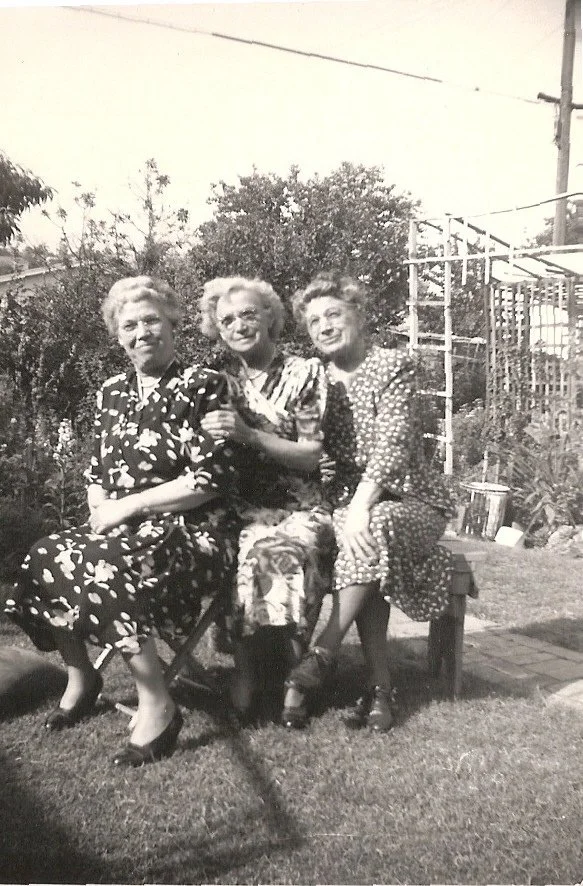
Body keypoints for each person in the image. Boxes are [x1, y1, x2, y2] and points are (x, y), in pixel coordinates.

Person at [4, 276, 239, 766]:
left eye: (152, 320)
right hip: (123, 527)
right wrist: (98, 505)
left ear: (172, 323)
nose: (142, 332)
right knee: (45, 554)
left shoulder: (205, 385)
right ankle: (82, 675)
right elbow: (97, 470)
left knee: (107, 563)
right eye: (129, 325)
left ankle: (158, 704)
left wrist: (128, 508)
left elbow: (209, 480)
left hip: (192, 530)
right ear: (118, 336)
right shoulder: (111, 392)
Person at [282, 271, 455, 731]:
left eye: (333, 314)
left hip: (411, 499)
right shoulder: (315, 377)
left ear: (358, 315)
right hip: (345, 502)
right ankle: (380, 688)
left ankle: (324, 651)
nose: (324, 326)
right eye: (314, 320)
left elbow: (394, 444)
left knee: (371, 527)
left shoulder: (394, 366)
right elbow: (306, 441)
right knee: (362, 545)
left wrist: (360, 507)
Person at [198, 276, 334, 719]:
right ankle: (247, 669)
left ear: (269, 317)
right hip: (241, 509)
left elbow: (311, 454)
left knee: (279, 552)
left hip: (300, 506)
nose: (238, 325)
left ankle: (292, 676)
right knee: (219, 547)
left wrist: (250, 434)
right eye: (227, 320)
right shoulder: (220, 384)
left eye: (248, 314)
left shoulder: (305, 373)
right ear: (217, 330)